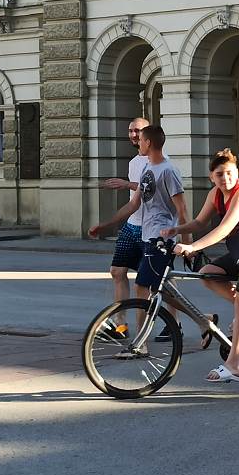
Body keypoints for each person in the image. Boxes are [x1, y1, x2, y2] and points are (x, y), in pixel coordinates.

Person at [164, 148, 239, 382]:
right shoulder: (215, 194)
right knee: (208, 273)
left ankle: (234, 365)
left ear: (237, 173)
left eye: (230, 173)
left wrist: (193, 247)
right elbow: (200, 222)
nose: (225, 178)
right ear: (212, 177)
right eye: (219, 174)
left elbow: (225, 228)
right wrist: (176, 230)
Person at [89, 125, 189, 352]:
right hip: (146, 234)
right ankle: (204, 321)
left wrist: (188, 244)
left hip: (162, 239)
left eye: (141, 138)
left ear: (149, 143)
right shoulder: (146, 168)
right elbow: (134, 204)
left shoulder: (168, 170)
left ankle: (141, 343)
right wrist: (106, 224)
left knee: (142, 287)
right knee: (158, 287)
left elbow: (182, 211)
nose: (138, 142)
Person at [88, 117, 148, 342]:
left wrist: (126, 184)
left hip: (152, 229)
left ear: (148, 134)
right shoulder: (133, 163)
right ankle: (120, 326)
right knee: (117, 271)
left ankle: (185, 322)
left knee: (157, 284)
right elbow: (134, 202)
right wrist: (107, 224)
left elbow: (153, 191)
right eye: (131, 131)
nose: (133, 135)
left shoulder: (159, 161)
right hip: (132, 225)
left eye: (138, 131)